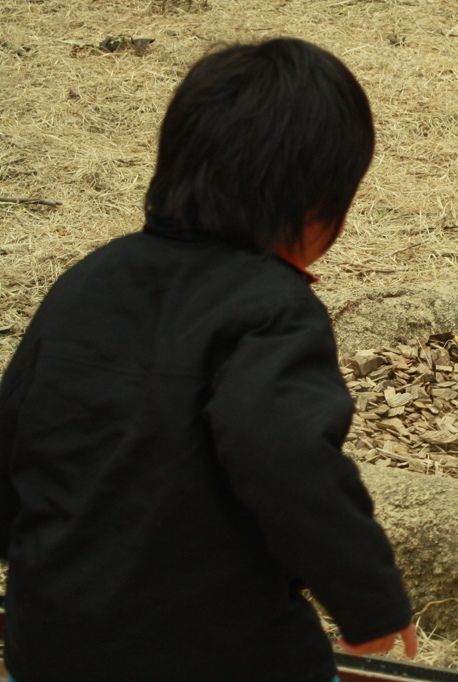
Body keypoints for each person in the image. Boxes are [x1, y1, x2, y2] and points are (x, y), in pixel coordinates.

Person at [0, 38, 416, 682]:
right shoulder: (274, 309)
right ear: (316, 209)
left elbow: (15, 425)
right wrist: (371, 602)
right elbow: (288, 458)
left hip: (51, 642)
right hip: (220, 652)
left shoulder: (88, 282)